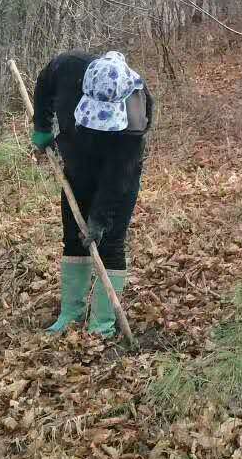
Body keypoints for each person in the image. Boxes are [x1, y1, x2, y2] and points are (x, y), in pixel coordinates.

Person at [31, 50, 153, 338]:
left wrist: (100, 218)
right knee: (73, 236)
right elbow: (44, 83)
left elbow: (119, 174)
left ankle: (102, 324)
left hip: (116, 173)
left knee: (109, 241)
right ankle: (70, 313)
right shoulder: (68, 68)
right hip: (76, 164)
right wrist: (42, 126)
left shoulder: (136, 113)